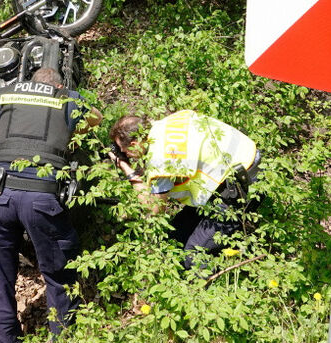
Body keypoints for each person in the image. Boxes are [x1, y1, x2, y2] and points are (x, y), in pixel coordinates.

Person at [0, 67, 101, 343]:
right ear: (56, 84)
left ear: (29, 83)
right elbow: (96, 120)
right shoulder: (66, 97)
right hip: (42, 196)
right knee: (59, 275)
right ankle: (62, 337)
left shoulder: (6, 97)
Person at [108, 111, 260, 268]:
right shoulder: (167, 123)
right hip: (245, 161)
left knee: (191, 255)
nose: (124, 154)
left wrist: (128, 170)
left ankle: (206, 286)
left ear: (134, 144)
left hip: (241, 186)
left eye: (123, 150)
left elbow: (153, 210)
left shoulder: (159, 158)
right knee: (175, 239)